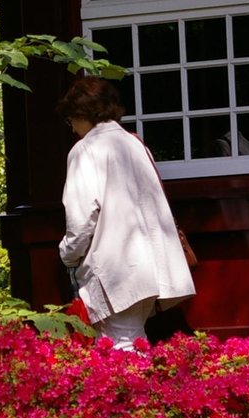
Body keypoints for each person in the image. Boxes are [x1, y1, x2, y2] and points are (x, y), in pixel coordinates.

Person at [57, 75, 195, 349]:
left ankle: (137, 393)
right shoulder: (134, 143)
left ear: (82, 112)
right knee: (132, 341)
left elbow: (82, 219)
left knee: (120, 347)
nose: (71, 127)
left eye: (70, 118)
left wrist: (67, 253)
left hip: (117, 270)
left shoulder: (85, 150)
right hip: (154, 266)